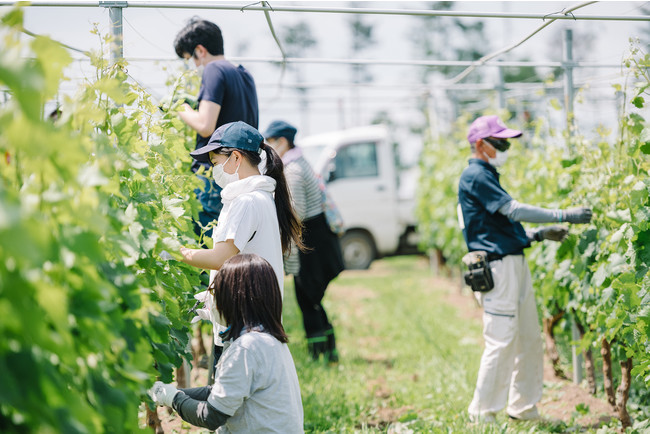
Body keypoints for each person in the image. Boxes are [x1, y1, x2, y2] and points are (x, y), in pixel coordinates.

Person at [457, 115, 593, 423]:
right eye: (500, 142)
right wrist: (563, 214)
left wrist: (539, 234)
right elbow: (513, 211)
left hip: (512, 264)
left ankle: (523, 408)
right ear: (481, 145)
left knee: (529, 338)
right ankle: (482, 414)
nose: (505, 147)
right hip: (498, 270)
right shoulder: (475, 176)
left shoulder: (487, 176)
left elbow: (497, 228)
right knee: (502, 340)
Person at [179, 121, 302, 369]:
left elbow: (221, 257)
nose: (214, 171)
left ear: (235, 157)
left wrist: (176, 252)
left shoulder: (247, 202)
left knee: (228, 405)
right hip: (250, 323)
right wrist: (213, 299)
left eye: (215, 163)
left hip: (244, 331)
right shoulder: (260, 198)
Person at [149, 254, 304, 433]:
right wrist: (166, 391)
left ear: (233, 298)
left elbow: (210, 416)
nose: (212, 300)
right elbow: (218, 392)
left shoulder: (245, 349)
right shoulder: (268, 339)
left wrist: (172, 398)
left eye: (215, 293)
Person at [264, 120, 345, 362]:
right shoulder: (298, 163)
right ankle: (327, 351)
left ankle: (319, 353)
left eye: (270, 142)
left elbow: (294, 217)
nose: (268, 147)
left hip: (313, 244)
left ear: (282, 142)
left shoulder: (293, 171)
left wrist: (285, 254)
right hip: (317, 240)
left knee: (308, 299)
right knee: (312, 300)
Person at [173, 17, 259, 239]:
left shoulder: (213, 70)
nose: (195, 66)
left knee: (209, 241)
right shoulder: (243, 74)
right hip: (239, 171)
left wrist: (179, 107)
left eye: (191, 59)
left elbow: (205, 125)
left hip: (213, 175)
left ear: (200, 51)